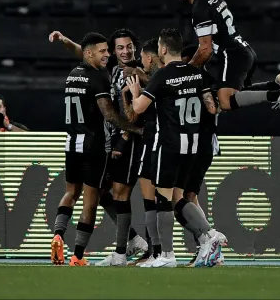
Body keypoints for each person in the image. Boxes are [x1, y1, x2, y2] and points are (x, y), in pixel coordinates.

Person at [49, 29, 149, 265]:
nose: (125, 51)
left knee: (116, 194)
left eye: (129, 47)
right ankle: (125, 244)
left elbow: (138, 110)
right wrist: (65, 41)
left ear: (135, 47)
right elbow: (83, 52)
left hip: (119, 142)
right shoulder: (105, 70)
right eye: (119, 48)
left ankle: (124, 251)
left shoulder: (136, 73)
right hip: (100, 144)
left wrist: (126, 136)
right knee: (101, 196)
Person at [127, 28, 226, 268]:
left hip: (169, 144)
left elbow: (138, 108)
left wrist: (134, 92)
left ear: (162, 49)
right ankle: (207, 235)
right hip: (192, 146)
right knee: (179, 197)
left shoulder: (163, 75)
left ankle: (169, 254)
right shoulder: (195, 74)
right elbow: (212, 108)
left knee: (164, 199)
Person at [173, 0, 280, 116]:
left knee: (225, 101)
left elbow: (206, 49)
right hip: (244, 50)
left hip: (232, 54)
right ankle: (277, 84)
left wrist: (186, 70)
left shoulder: (200, 8)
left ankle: (279, 94)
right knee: (240, 94)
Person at [120, 38, 165, 265]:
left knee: (155, 201)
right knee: (165, 200)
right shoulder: (168, 76)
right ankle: (157, 252)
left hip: (153, 141)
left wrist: (133, 92)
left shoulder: (158, 78)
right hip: (167, 142)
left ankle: (157, 252)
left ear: (149, 57)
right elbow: (132, 116)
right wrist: (129, 93)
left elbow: (133, 114)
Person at [179, 44, 222, 266]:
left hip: (198, 144)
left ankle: (208, 240)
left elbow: (212, 109)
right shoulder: (207, 79)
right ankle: (207, 245)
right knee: (189, 196)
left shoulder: (197, 79)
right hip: (201, 144)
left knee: (184, 197)